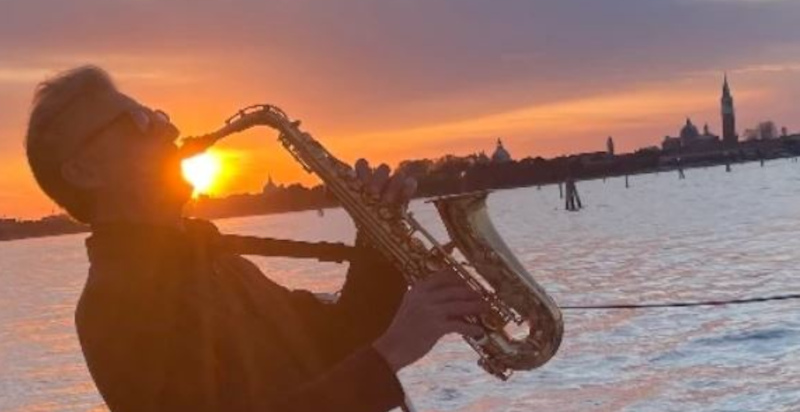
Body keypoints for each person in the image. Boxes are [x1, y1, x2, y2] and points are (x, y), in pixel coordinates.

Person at [24, 66, 487, 412]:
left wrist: (377, 240)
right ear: (85, 170)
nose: (167, 127)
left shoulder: (210, 259)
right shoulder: (114, 305)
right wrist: (391, 354)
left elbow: (335, 338)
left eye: (156, 112)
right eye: (138, 120)